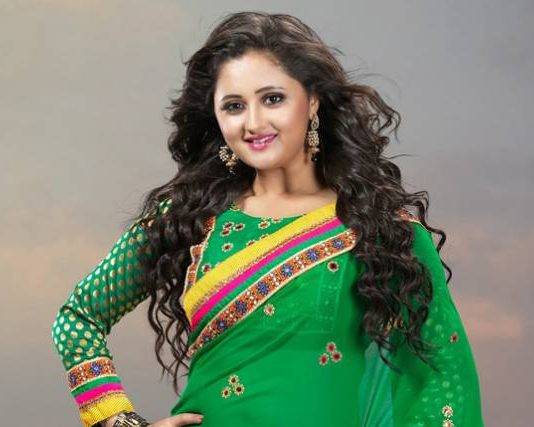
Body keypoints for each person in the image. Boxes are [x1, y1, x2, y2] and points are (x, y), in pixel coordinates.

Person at [51, 11, 484, 427]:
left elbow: (443, 377)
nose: (253, 123)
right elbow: (78, 317)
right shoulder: (188, 219)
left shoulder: (382, 229)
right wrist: (118, 419)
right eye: (233, 106)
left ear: (312, 101)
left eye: (272, 99)